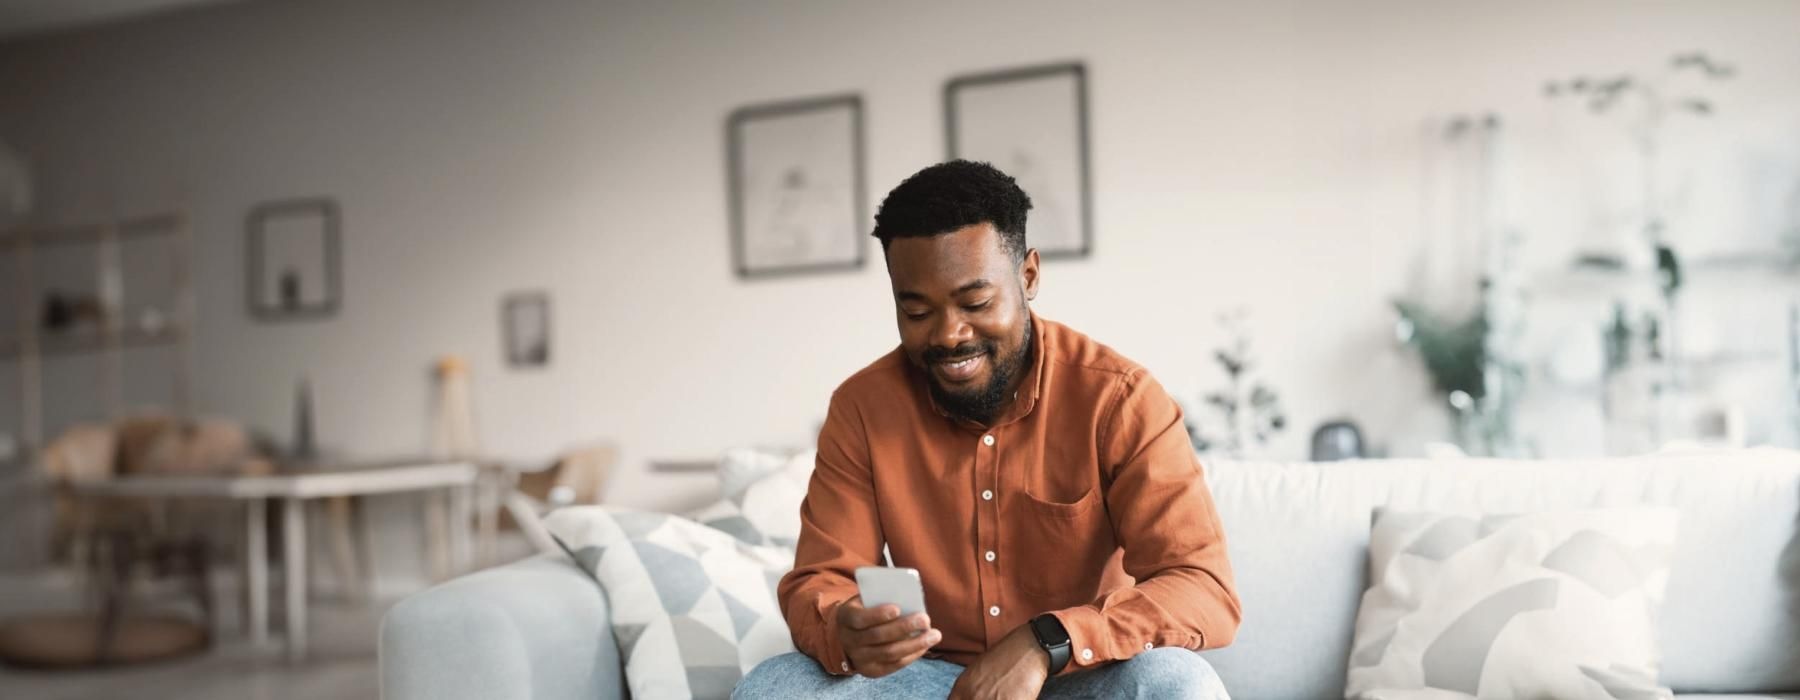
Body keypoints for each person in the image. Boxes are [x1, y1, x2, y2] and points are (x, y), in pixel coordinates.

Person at [735, 160, 1240, 699]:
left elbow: (1202, 588)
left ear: (1028, 277)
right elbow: (820, 580)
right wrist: (845, 627)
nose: (949, 335)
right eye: (917, 311)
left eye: (975, 303)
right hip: (932, 684)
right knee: (778, 686)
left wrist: (1047, 640)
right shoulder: (862, 408)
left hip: (1078, 677)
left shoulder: (1120, 398)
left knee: (1178, 682)